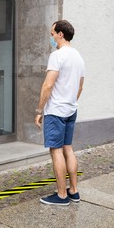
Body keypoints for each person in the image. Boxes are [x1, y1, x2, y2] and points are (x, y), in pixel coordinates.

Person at [35, 20, 85, 206]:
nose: (51, 37)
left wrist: (40, 110)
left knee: (56, 151)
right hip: (71, 110)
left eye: (52, 33)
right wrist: (71, 100)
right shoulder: (79, 57)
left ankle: (62, 195)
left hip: (56, 111)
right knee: (68, 149)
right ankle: (74, 191)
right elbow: (80, 86)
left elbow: (48, 85)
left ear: (60, 34)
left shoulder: (57, 55)